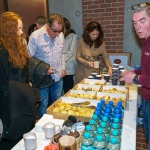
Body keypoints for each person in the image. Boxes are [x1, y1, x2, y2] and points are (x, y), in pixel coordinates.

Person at [0, 12, 36, 149]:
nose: (21, 32)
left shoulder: (18, 47)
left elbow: (23, 73)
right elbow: (4, 86)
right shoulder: (2, 52)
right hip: (11, 105)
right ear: (8, 30)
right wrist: (22, 91)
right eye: (18, 29)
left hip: (22, 99)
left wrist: (27, 84)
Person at [119, 2, 150, 149]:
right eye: (134, 23)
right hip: (146, 97)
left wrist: (136, 78)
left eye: (142, 21)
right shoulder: (145, 42)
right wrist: (134, 73)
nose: (137, 27)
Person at [28, 13, 66, 118]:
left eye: (60, 30)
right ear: (48, 26)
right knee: (43, 104)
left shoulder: (60, 35)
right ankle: (43, 128)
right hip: (42, 78)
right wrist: (43, 69)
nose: (58, 33)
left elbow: (63, 53)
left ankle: (58, 124)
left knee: (57, 102)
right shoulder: (35, 36)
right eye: (55, 31)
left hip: (57, 76)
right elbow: (29, 59)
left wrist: (63, 68)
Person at [62, 18, 78, 93]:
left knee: (68, 89)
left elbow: (71, 52)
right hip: (60, 68)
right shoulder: (58, 36)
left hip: (69, 68)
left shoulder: (73, 36)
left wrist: (60, 61)